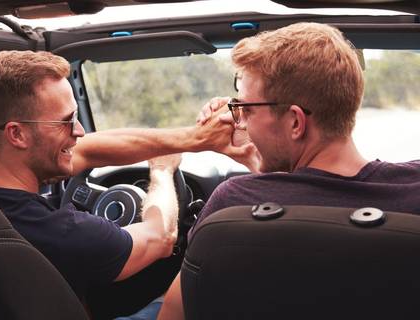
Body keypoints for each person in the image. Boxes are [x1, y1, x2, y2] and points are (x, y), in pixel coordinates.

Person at [157, 22, 420, 319]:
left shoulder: (232, 203)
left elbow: (174, 312)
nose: (240, 123)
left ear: (295, 122)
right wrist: (259, 161)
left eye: (247, 110)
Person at [0, 50, 252, 319]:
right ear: (18, 134)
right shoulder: (59, 233)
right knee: (173, 301)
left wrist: (192, 139)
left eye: (77, 116)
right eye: (66, 122)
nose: (79, 131)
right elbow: (161, 237)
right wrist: (163, 170)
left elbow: (87, 150)